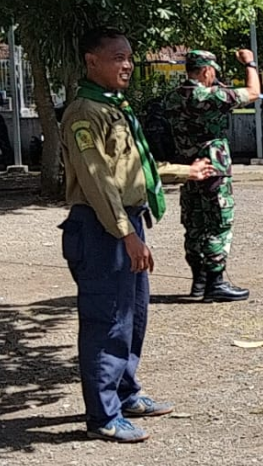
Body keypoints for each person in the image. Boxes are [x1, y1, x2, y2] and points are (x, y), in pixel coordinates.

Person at [61, 27, 216, 442]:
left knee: (133, 317)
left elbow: (133, 171)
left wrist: (188, 171)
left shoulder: (115, 106)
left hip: (125, 222)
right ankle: (103, 417)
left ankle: (125, 392)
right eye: (117, 57)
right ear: (92, 61)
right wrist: (127, 234)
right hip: (101, 227)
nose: (127, 64)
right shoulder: (84, 112)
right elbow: (98, 181)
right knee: (107, 320)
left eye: (129, 56)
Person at [164, 49, 261, 302]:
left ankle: (199, 281)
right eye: (214, 72)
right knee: (219, 222)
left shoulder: (172, 98)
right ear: (207, 70)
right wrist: (249, 63)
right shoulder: (212, 96)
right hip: (213, 167)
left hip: (187, 168)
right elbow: (253, 93)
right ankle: (215, 282)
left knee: (194, 224)